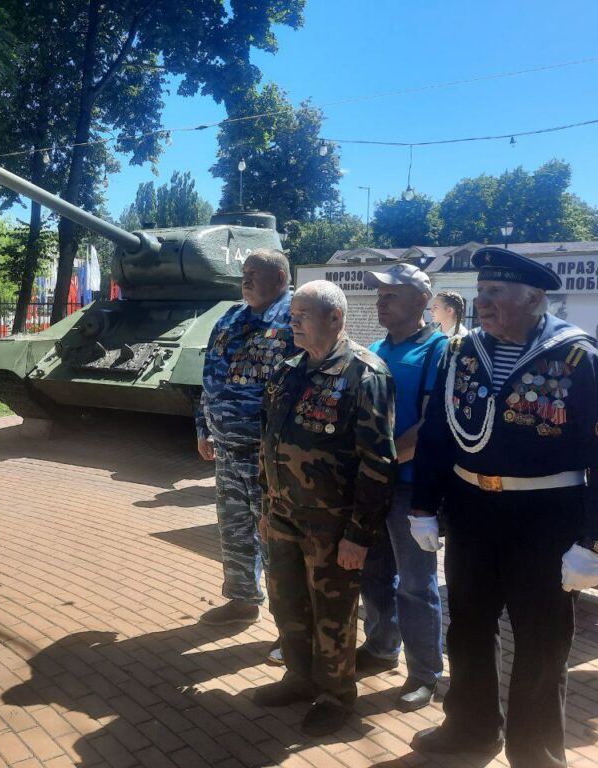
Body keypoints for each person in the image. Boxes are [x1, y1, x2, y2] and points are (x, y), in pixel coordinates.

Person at [409, 247, 598, 766]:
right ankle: (470, 729)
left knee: (541, 640)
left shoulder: (578, 357)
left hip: (545, 518)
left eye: (496, 293)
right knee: (467, 625)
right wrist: (423, 504)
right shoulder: (462, 352)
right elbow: (437, 432)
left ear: (534, 298)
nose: (481, 302)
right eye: (480, 291)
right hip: (473, 511)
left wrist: (592, 542)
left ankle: (536, 752)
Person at [253, 280, 397, 736]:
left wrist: (359, 534)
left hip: (332, 525)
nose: (292, 323)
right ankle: (298, 676)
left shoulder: (365, 374)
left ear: (335, 318)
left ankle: (335, 694)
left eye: (303, 316)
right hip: (282, 516)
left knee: (332, 614)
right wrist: (264, 504)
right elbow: (268, 443)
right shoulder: (288, 369)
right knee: (287, 601)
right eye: (292, 315)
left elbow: (378, 462)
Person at [358, 264, 447, 712]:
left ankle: (426, 673)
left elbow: (433, 424)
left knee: (416, 584)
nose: (381, 300)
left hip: (411, 489)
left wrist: (386, 459)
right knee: (373, 574)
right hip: (374, 484)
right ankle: (379, 647)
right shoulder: (375, 347)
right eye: (380, 294)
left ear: (420, 301)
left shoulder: (438, 350)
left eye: (391, 294)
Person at [195, 250, 295, 647]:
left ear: (281, 277)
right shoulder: (230, 318)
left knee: (276, 540)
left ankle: (289, 628)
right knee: (234, 531)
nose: (247, 279)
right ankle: (242, 600)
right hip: (227, 451)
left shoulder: (295, 319)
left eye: (256, 273)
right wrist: (204, 426)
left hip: (267, 459)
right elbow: (208, 374)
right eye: (244, 273)